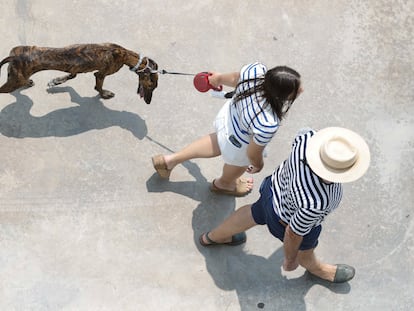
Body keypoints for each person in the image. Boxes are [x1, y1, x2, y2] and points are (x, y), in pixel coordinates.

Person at [198, 127, 371, 283]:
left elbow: (301, 133)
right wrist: (290, 259)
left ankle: (212, 237)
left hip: (272, 190)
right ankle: (316, 268)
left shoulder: (307, 139)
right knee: (306, 249)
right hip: (283, 219)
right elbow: (293, 233)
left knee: (253, 212)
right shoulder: (316, 202)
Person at [152, 62, 302, 196]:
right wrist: (258, 165)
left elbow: (235, 78)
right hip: (239, 143)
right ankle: (224, 184)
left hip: (228, 119)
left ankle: (169, 161)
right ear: (280, 95)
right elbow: (252, 153)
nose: (301, 90)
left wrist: (217, 79)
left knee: (218, 140)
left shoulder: (255, 71)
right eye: (295, 90)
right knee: (239, 164)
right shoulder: (268, 122)